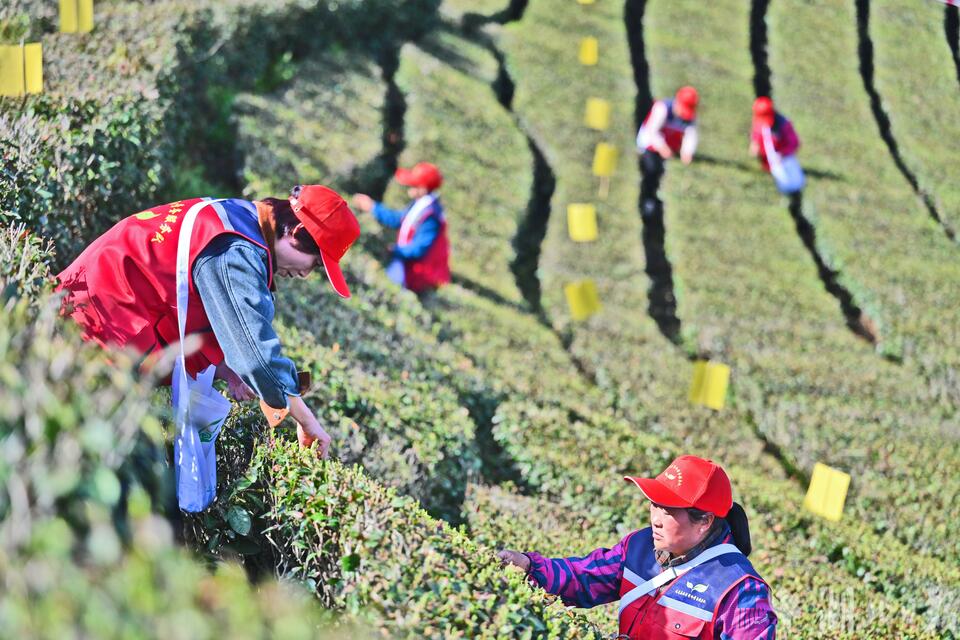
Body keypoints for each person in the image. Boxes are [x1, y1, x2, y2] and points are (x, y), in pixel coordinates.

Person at [56, 185, 361, 457]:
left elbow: (202, 302)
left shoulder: (238, 216)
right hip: (94, 322)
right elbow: (256, 356)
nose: (306, 274)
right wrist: (307, 421)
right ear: (295, 234)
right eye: (316, 264)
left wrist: (227, 368)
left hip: (94, 308)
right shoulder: (236, 248)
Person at [498, 455, 777, 639]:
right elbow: (583, 578)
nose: (655, 519)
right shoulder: (639, 546)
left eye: (668, 510)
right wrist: (527, 565)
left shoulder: (740, 590)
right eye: (654, 504)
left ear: (704, 521)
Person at [351, 162, 450, 296]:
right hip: (406, 264)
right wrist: (373, 207)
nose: (409, 186)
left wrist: (394, 250)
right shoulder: (420, 205)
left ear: (423, 188)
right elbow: (399, 220)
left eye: (413, 184)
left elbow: (419, 249)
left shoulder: (431, 215)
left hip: (415, 273)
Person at [636, 86, 700, 217]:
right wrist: (662, 147)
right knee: (652, 170)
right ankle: (647, 198)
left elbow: (691, 135)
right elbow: (651, 131)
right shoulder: (662, 108)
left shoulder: (690, 118)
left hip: (669, 144)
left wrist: (687, 152)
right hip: (650, 143)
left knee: (661, 170)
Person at [749, 97, 805, 195]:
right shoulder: (758, 121)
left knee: (795, 183)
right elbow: (757, 132)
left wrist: (782, 154)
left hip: (784, 158)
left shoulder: (783, 124)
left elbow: (794, 143)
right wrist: (755, 143)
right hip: (768, 159)